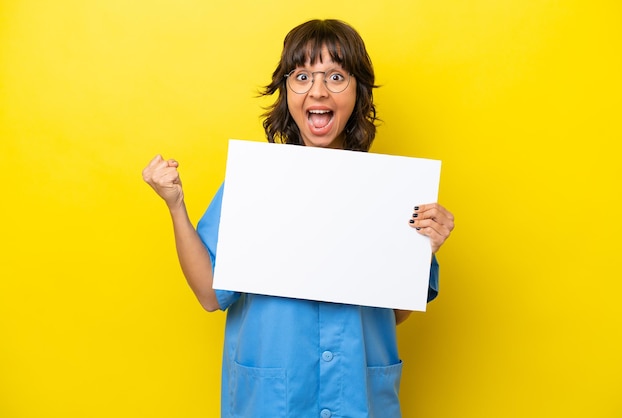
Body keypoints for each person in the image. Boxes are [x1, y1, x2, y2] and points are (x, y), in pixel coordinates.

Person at [143, 19, 454, 418]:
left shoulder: (392, 192)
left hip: (357, 395)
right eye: (303, 76)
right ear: (287, 91)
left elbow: (390, 315)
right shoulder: (254, 182)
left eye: (336, 76)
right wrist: (175, 205)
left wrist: (421, 250)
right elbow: (208, 294)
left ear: (357, 92)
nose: (318, 90)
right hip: (274, 401)